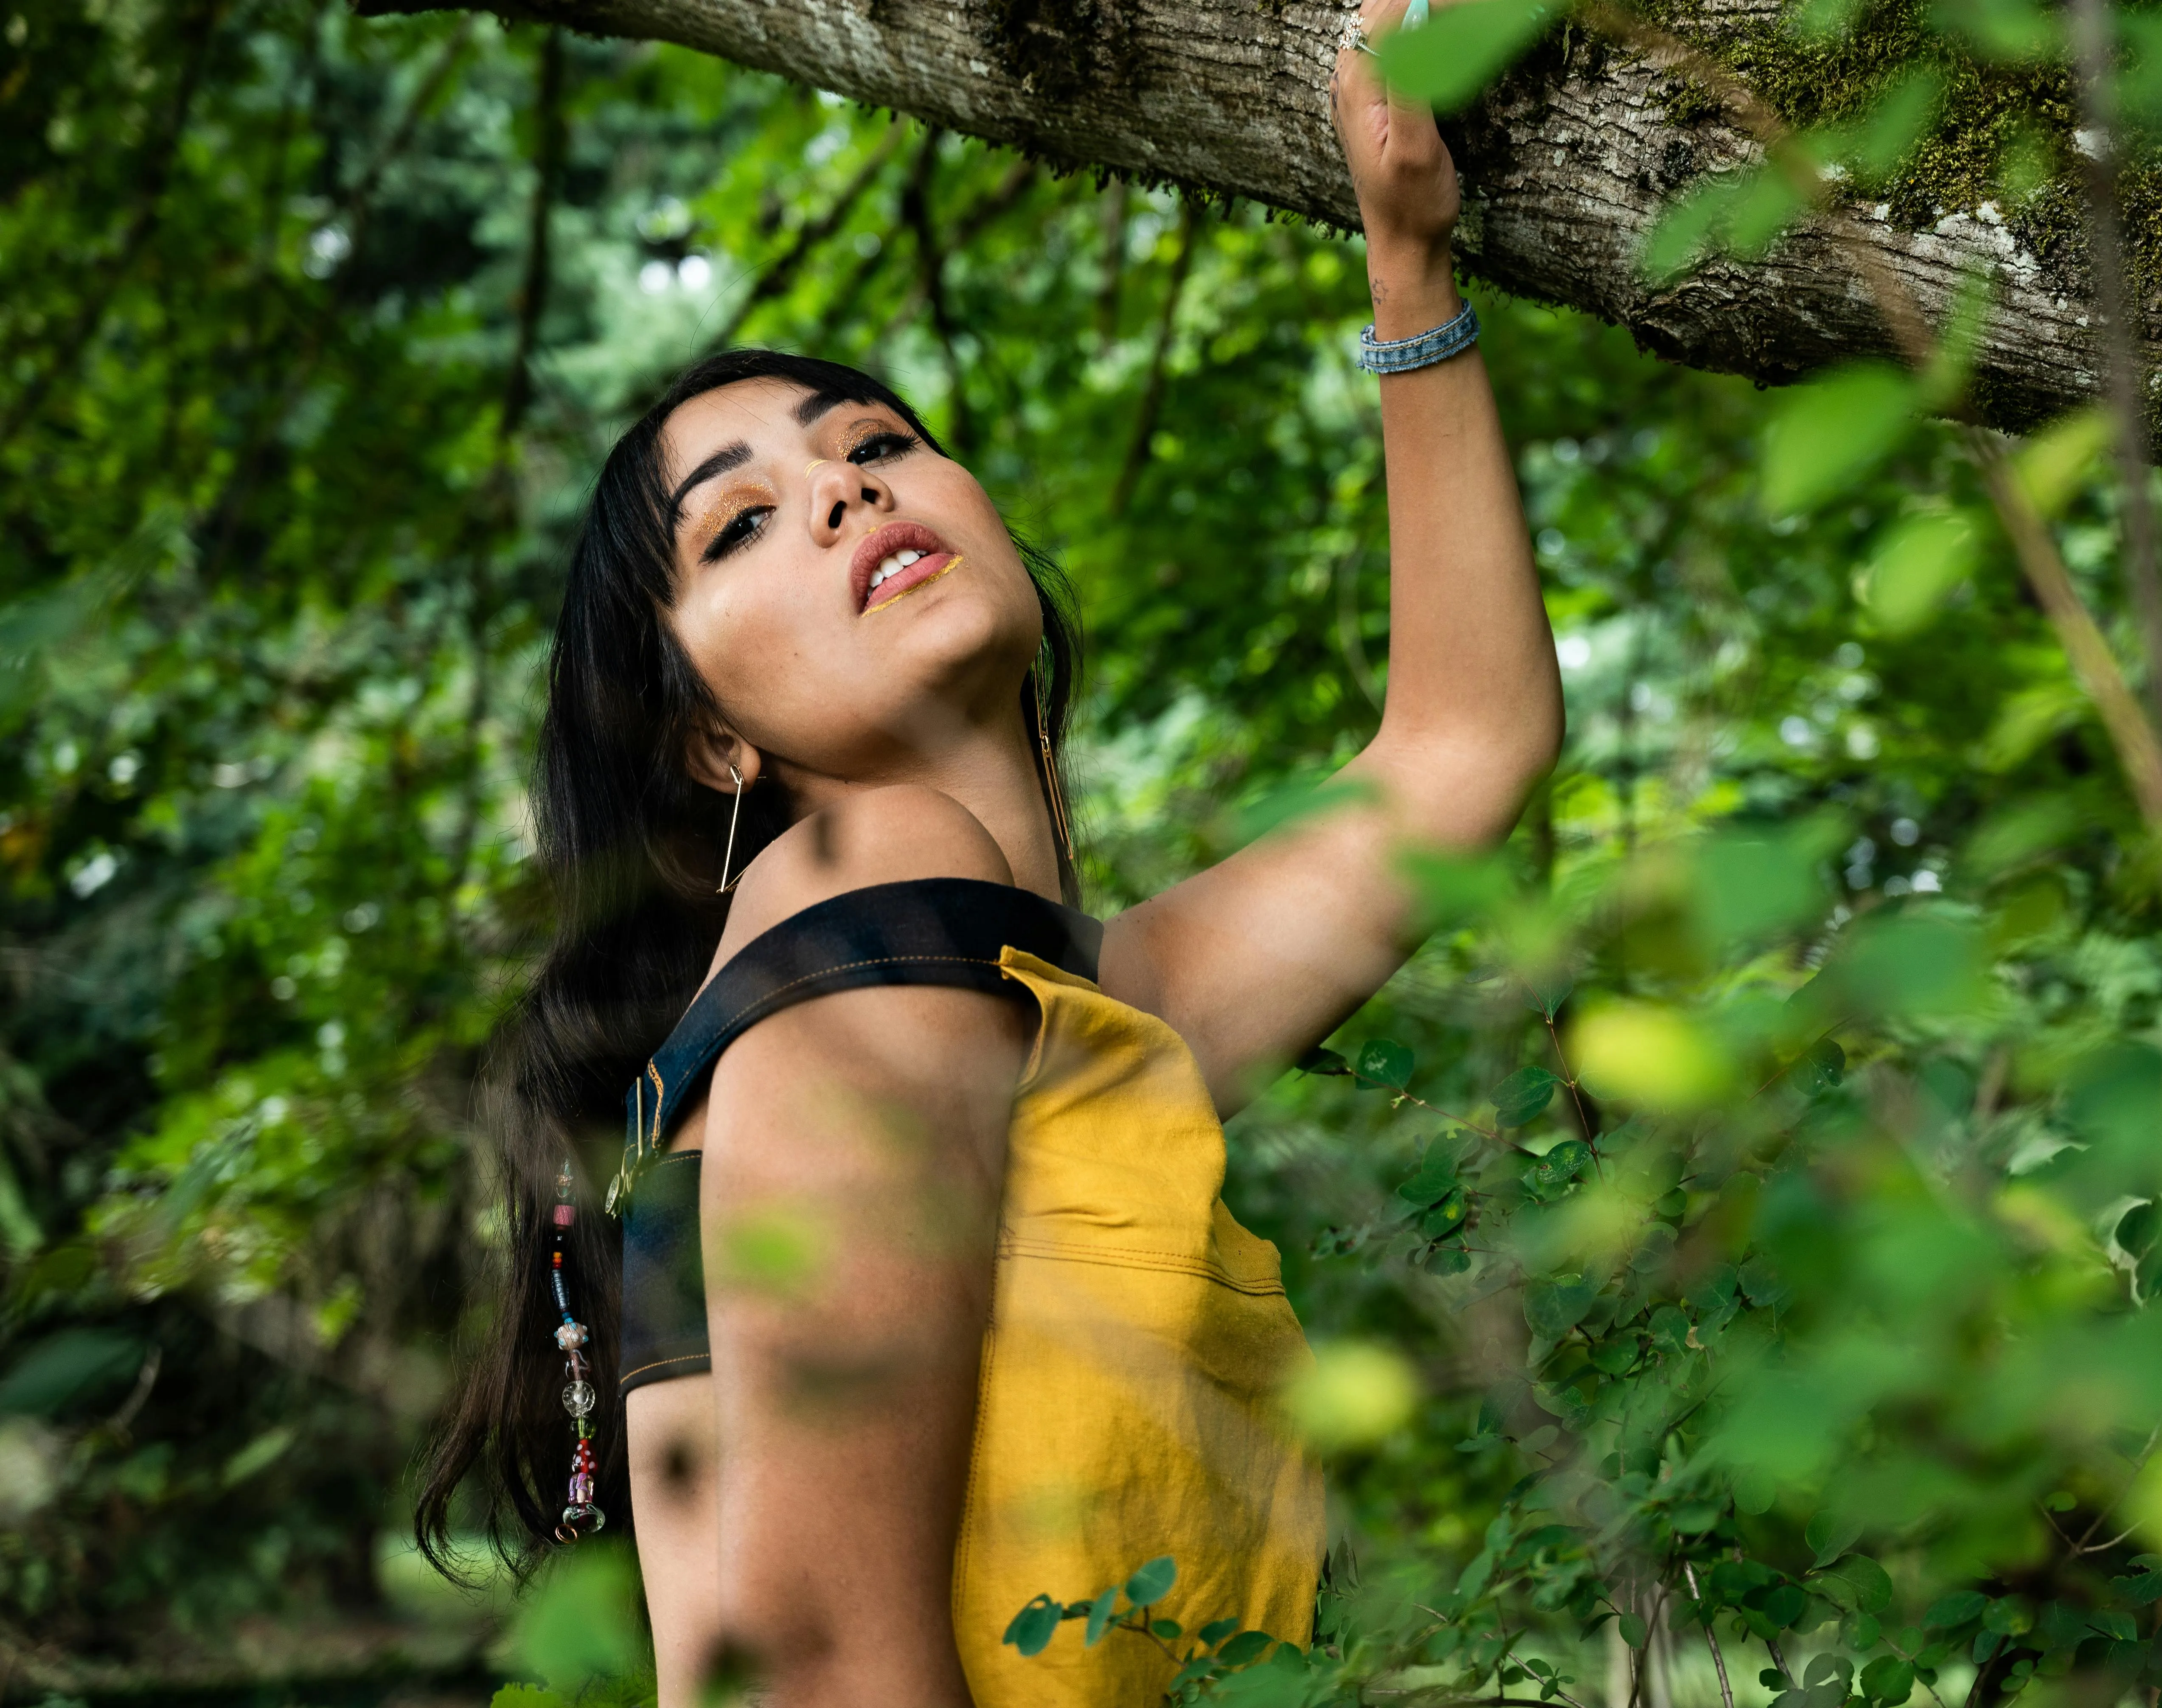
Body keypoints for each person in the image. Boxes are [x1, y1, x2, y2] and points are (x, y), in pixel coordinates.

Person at [416, 0, 1562, 1697]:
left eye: (875, 445)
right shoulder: (857, 924)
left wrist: (1410, 264)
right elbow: (829, 1677)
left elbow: (1465, 751)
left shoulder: (1045, 994)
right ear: (714, 741)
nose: (842, 490)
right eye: (741, 522)